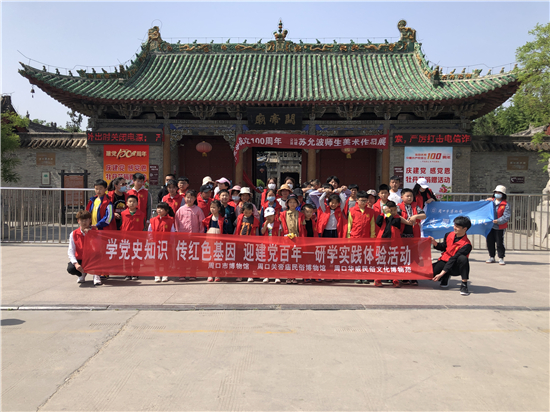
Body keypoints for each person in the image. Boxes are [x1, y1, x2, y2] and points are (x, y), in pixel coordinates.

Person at [430, 216, 472, 296]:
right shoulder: (449, 234)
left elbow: (454, 258)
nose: (454, 227)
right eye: (454, 225)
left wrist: (441, 273)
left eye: (457, 226)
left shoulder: (467, 245)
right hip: (444, 260)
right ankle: (445, 276)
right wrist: (434, 243)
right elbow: (444, 247)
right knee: (429, 274)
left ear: (465, 229)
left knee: (463, 259)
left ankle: (464, 284)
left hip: (455, 267)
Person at [375, 200, 411, 288]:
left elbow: (393, 222)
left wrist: (388, 214)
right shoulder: (384, 216)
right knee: (381, 260)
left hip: (394, 242)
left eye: (395, 210)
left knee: (394, 261)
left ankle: (395, 280)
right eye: (391, 210)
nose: (394, 212)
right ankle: (377, 279)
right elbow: (377, 222)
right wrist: (383, 213)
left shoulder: (397, 218)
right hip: (383, 240)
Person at [174, 190, 205, 281]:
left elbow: (201, 223)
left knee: (193, 256)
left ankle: (193, 274)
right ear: (184, 198)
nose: (189, 199)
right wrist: (177, 234)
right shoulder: (180, 210)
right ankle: (182, 274)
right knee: (182, 256)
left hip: (194, 237)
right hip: (183, 237)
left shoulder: (198, 210)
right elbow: (176, 223)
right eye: (187, 197)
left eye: (191, 197)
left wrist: (201, 235)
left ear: (195, 199)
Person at [398, 188, 426, 286]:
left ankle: (414, 277)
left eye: (411, 196)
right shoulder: (398, 207)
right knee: (403, 256)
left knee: (414, 256)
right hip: (402, 235)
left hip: (414, 235)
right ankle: (404, 277)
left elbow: (424, 215)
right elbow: (397, 217)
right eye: (407, 196)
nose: (410, 198)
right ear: (402, 197)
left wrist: (415, 216)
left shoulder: (416, 206)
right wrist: (407, 222)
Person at [347, 191, 377, 285]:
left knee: (365, 258)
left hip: (366, 238)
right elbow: (349, 224)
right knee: (356, 257)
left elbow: (372, 225)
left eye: (365, 200)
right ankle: (357, 276)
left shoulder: (370, 211)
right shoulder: (352, 210)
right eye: (361, 200)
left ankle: (364, 276)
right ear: (357, 200)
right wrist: (348, 237)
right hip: (355, 237)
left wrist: (372, 237)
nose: (363, 202)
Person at [67, 210, 102, 286]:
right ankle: (82, 273)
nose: (84, 222)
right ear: (78, 221)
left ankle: (96, 274)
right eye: (82, 220)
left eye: (86, 220)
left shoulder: (96, 232)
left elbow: (98, 248)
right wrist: (76, 264)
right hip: (81, 259)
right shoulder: (73, 234)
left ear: (90, 220)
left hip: (93, 258)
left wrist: (90, 235)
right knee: (71, 268)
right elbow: (71, 250)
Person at [120, 195, 147, 281]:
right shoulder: (123, 214)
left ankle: (136, 272)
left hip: (137, 239)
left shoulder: (141, 214)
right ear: (127, 203)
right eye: (130, 201)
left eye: (134, 202)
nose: (132, 203)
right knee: (127, 256)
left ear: (137, 203)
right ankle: (128, 273)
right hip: (126, 239)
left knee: (136, 256)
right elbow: (120, 226)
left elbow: (144, 227)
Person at [148, 202, 176, 283]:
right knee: (156, 260)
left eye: (162, 208)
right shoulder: (153, 220)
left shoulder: (170, 220)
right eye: (158, 208)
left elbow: (172, 232)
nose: (159, 210)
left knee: (165, 259)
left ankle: (165, 274)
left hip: (166, 244)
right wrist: (151, 240)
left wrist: (171, 242)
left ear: (166, 211)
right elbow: (150, 231)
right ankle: (157, 275)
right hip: (156, 243)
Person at [485, 185, 511, 265]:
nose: (497, 194)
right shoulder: (490, 201)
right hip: (489, 226)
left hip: (499, 226)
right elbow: (480, 205)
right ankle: (492, 257)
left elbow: (506, 216)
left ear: (503, 194)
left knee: (499, 242)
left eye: (499, 193)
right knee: (490, 241)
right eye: (496, 192)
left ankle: (501, 257)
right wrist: (485, 200)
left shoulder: (505, 204)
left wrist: (498, 221)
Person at [234, 202, 260, 282]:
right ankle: (239, 275)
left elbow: (256, 231)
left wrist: (257, 241)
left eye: (249, 212)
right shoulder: (239, 218)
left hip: (250, 243)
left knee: (250, 259)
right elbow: (236, 229)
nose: (248, 214)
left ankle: (250, 275)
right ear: (243, 211)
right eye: (246, 212)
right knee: (240, 259)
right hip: (240, 242)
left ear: (252, 211)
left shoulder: (254, 220)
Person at [203, 199, 225, 282]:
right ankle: (210, 274)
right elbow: (205, 229)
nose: (212, 209)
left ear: (219, 208)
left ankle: (218, 274)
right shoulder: (208, 219)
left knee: (218, 256)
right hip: (210, 239)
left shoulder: (222, 219)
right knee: (210, 257)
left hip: (219, 240)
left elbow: (225, 230)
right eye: (211, 207)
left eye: (214, 207)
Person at [261, 206, 282, 284]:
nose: (269, 218)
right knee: (267, 260)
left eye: (271, 216)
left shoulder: (278, 224)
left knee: (276, 260)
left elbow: (279, 234)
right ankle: (266, 276)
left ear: (274, 215)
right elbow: (262, 232)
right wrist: (266, 224)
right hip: (267, 245)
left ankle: (277, 277)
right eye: (267, 216)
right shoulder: (264, 224)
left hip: (275, 245)